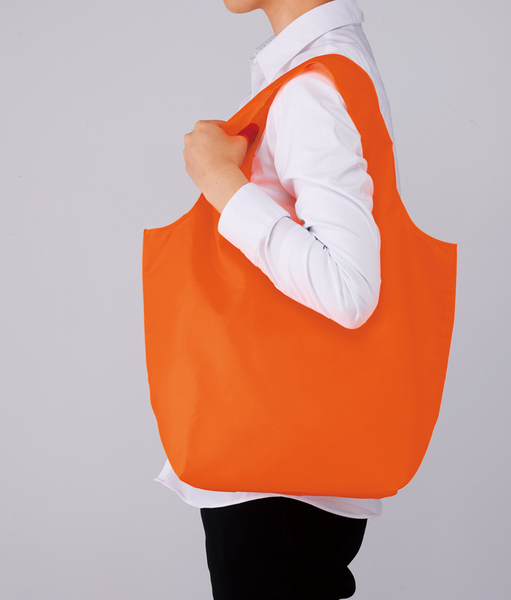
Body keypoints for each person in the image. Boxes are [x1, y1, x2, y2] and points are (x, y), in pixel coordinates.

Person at [160, 1, 402, 598]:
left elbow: (350, 288)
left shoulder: (310, 87)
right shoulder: (324, 69)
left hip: (275, 466)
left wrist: (221, 182)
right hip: (290, 458)